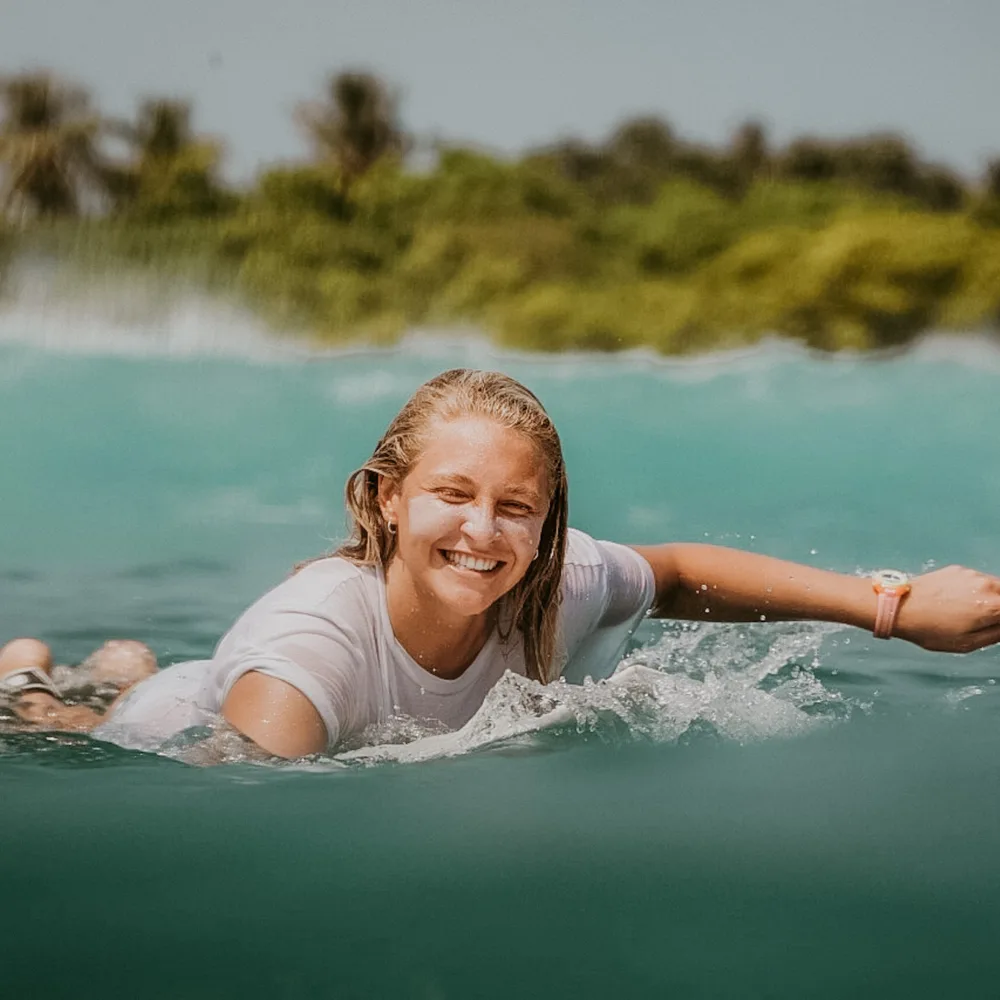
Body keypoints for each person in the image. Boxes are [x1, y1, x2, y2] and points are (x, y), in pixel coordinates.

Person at [3, 368, 1000, 759]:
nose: (483, 532)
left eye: (514, 507)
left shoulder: (545, 582)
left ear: (545, 526)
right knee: (62, 726)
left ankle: (112, 666)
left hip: (210, 684)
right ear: (387, 498)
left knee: (118, 681)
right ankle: (46, 684)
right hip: (172, 730)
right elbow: (234, 793)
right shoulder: (309, 648)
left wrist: (892, 609)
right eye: (451, 494)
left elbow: (680, 568)